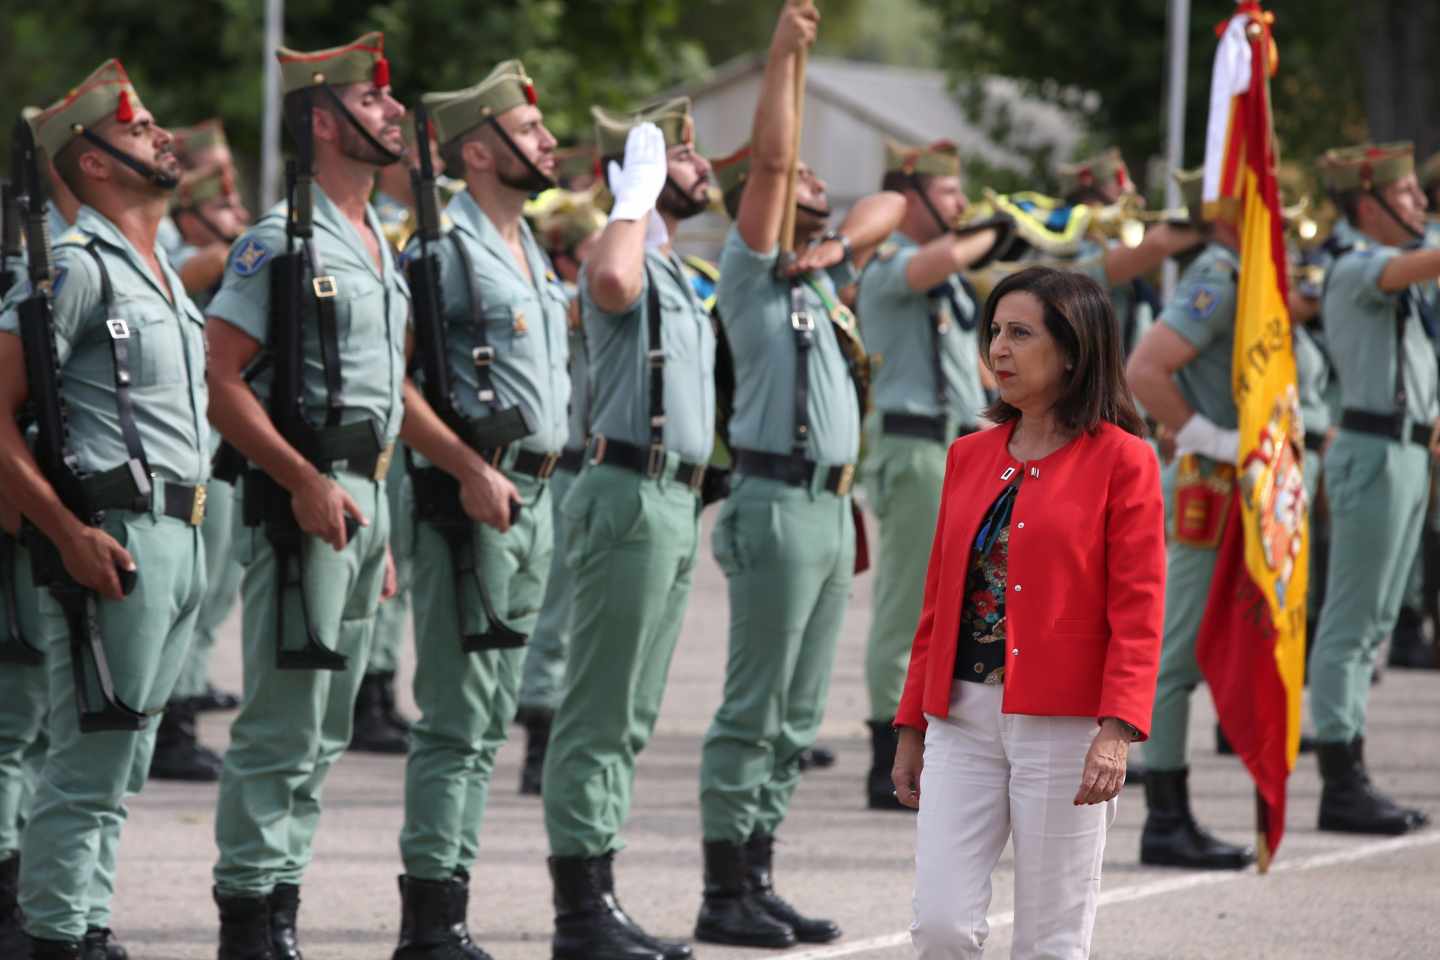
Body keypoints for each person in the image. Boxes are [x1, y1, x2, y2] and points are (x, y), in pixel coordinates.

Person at [205, 33, 518, 958]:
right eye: (370, 102)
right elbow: (221, 379)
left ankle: (281, 907)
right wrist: (301, 480)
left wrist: (457, 465)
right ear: (323, 123)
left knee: (327, 728)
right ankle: (248, 922)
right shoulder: (279, 241)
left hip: (363, 499)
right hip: (307, 495)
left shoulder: (374, 240)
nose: (392, 114)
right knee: (280, 723)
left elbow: (392, 396)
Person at [696, 1, 904, 949]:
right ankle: (723, 889)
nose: (812, 178)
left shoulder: (823, 277)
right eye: (798, 177)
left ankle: (761, 870)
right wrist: (786, 58)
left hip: (829, 509)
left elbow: (898, 200)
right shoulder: (751, 272)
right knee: (754, 705)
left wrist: (843, 246)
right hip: (774, 500)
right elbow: (774, 163)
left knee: (797, 712)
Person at [0, 61, 210, 959]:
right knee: (85, 766)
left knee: (120, 765)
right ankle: (54, 937)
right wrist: (65, 532)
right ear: (88, 162)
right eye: (138, 130)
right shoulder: (80, 268)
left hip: (182, 532)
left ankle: (86, 927)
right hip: (115, 535)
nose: (164, 138)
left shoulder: (160, 273)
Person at [895, 266, 1164, 960]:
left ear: (1072, 350)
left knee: (1050, 940)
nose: (998, 351)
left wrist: (1117, 729)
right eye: (994, 333)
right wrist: (910, 725)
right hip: (960, 718)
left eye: (1020, 334)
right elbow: (938, 603)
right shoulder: (968, 454)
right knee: (941, 926)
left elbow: (1139, 609)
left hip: (1067, 726)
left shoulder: (1126, 461)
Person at [393, 60, 569, 958]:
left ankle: (448, 908)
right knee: (458, 717)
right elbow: (395, 377)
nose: (547, 143)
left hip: (537, 496)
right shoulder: (439, 249)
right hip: (477, 499)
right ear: (479, 150)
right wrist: (463, 466)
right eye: (529, 132)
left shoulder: (526, 246)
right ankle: (430, 922)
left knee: (489, 718)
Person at [541, 99, 716, 960]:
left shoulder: (680, 271)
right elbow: (611, 280)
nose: (699, 165)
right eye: (679, 155)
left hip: (675, 500)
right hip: (627, 492)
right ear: (636, 172)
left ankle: (599, 893)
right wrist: (633, 193)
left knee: (633, 712)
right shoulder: (623, 253)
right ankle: (581, 912)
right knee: (600, 709)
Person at [856, 139, 1002, 811]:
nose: (961, 204)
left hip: (952, 444)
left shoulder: (941, 278)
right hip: (911, 447)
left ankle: (925, 735)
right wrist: (996, 232)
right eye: (948, 194)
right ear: (908, 197)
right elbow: (942, 257)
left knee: (945, 599)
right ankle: (887, 752)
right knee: (907, 599)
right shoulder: (890, 266)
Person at [1124, 194, 1262, 869]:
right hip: (1213, 483)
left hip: (1250, 483)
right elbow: (1145, 368)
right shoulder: (1219, 273)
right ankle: (1166, 818)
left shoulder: (1253, 273)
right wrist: (1207, 435)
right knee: (1176, 656)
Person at [1304, 142, 1435, 834]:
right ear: (1369, 202)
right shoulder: (1357, 267)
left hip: (1409, 452)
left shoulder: (1402, 270)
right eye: (1408, 193)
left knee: (1378, 625)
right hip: (1372, 451)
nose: (1419, 203)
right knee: (1350, 624)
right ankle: (1339, 777)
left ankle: (1352, 761)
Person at [515, 186, 605, 796]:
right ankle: (538, 739)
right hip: (564, 467)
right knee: (556, 610)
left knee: (579, 612)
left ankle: (562, 728)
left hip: (595, 468)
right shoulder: (566, 296)